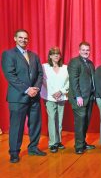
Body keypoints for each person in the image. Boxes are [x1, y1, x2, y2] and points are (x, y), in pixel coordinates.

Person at [1, 29, 46, 163]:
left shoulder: (34, 55)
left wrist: (36, 88)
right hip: (18, 97)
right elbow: (10, 75)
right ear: (15, 38)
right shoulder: (8, 54)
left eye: (25, 38)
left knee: (35, 124)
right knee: (17, 126)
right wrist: (27, 89)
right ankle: (14, 152)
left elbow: (40, 74)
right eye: (20, 37)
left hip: (34, 96)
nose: (23, 40)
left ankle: (33, 147)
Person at [68, 41, 96, 154]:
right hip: (79, 98)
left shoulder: (90, 63)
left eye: (87, 50)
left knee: (86, 122)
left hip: (89, 98)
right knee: (80, 122)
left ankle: (83, 142)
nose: (86, 52)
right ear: (79, 51)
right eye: (83, 50)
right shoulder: (74, 62)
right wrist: (78, 96)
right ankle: (79, 146)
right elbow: (73, 80)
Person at [41, 47, 69, 153]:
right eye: (54, 54)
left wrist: (61, 91)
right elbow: (43, 81)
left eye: (58, 54)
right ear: (50, 56)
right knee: (52, 119)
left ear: (60, 56)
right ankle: (52, 143)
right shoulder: (45, 67)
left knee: (60, 120)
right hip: (49, 97)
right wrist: (53, 92)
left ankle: (58, 141)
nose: (56, 55)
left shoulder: (65, 68)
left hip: (62, 96)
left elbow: (69, 82)